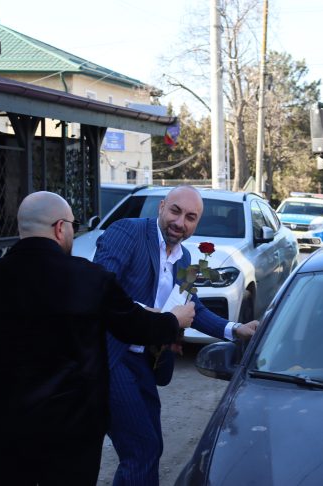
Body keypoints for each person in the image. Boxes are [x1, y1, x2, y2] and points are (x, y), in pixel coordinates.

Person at [0, 191, 196, 486]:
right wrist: (174, 320)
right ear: (60, 228)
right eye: (73, 225)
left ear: (21, 228)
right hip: (72, 427)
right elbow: (135, 326)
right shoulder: (90, 279)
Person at [93, 185, 259, 486]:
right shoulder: (128, 232)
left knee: (150, 447)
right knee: (141, 449)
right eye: (175, 211)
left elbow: (192, 307)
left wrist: (235, 329)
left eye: (190, 217)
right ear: (161, 207)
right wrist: (157, 316)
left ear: (197, 223)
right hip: (114, 358)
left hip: (145, 361)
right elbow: (100, 287)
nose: (180, 222)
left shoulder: (184, 259)